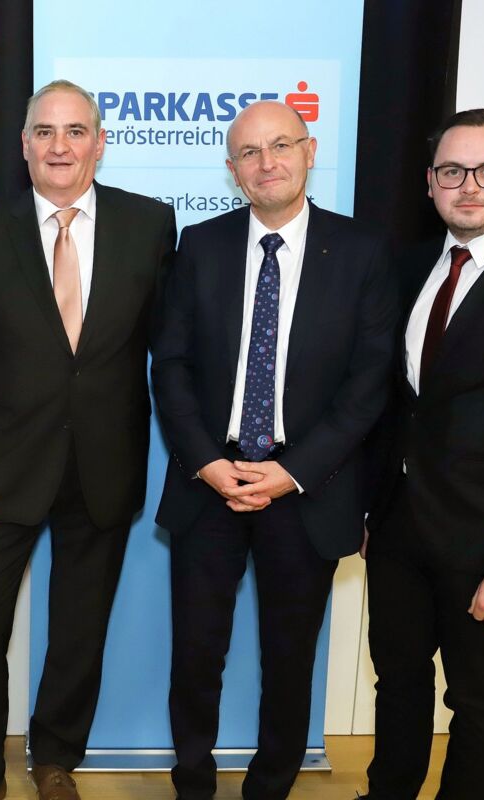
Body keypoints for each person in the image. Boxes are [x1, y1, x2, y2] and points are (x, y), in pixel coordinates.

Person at [152, 99, 397, 800]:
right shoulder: (201, 244)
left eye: (281, 146)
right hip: (210, 481)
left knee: (289, 660)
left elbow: (368, 382)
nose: (267, 163)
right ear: (232, 169)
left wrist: (292, 472)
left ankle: (270, 786)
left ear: (309, 151)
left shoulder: (363, 251)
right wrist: (206, 462)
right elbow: (170, 365)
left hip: (305, 488)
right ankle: (192, 780)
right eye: (250, 153)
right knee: (196, 654)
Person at [0, 79, 176, 800]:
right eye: (45, 131)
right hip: (1, 468)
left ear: (100, 143)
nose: (60, 146)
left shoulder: (150, 223)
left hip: (104, 464)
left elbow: (171, 350)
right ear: (24, 145)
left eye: (75, 131)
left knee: (79, 631)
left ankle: (55, 759)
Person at [361, 109, 484, 800]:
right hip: (396, 529)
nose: (469, 185)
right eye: (452, 171)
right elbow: (397, 403)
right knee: (397, 683)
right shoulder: (410, 264)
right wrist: (371, 507)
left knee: (476, 698)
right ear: (430, 182)